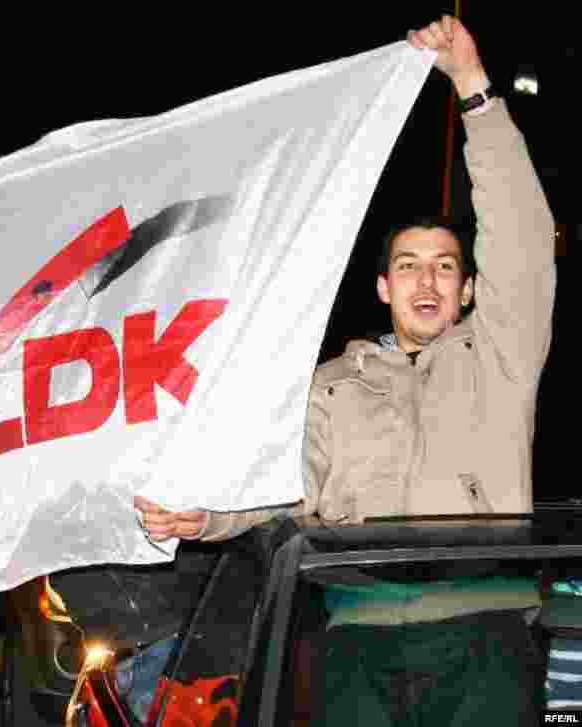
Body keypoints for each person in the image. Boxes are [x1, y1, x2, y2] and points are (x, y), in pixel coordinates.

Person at [135, 15, 556, 726]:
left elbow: (519, 239)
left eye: (446, 267)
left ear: (470, 290)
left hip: (486, 636)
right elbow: (275, 486)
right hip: (355, 642)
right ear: (384, 287)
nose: (428, 280)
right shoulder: (329, 389)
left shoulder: (501, 361)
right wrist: (206, 516)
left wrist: (474, 91)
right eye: (409, 266)